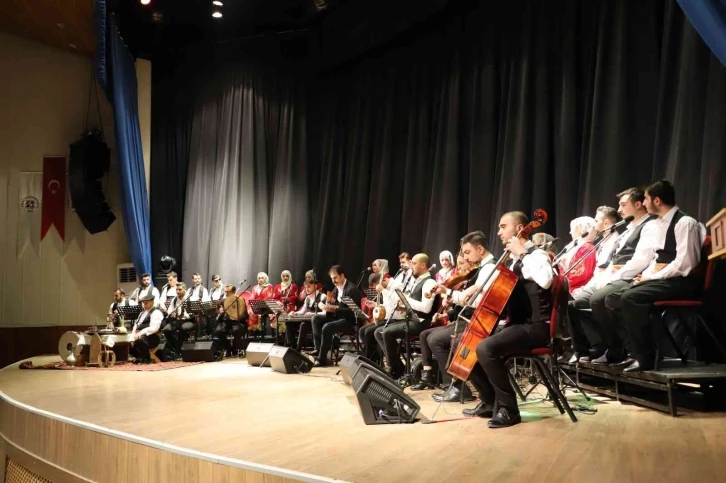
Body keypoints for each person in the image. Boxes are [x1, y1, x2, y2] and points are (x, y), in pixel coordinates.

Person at [462, 211, 554, 428]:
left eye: (503, 227)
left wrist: (524, 253)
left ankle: (509, 409)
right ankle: (489, 401)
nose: (498, 232)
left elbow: (546, 281)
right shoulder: (512, 262)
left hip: (536, 326)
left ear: (520, 228)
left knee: (485, 348)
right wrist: (478, 288)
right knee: (465, 345)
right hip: (517, 325)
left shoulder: (537, 255)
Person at [603, 179, 706, 372]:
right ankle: (634, 351)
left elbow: (685, 263)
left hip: (682, 282)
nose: (644, 203)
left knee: (631, 297)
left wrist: (651, 278)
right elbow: (658, 258)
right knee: (612, 298)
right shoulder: (660, 224)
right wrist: (645, 275)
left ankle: (646, 358)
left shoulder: (685, 223)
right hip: (665, 279)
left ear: (657, 201)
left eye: (646, 199)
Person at [568, 188, 657, 363]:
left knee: (598, 299)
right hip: (616, 276)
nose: (619, 210)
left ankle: (618, 350)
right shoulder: (627, 230)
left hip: (632, 277)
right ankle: (592, 348)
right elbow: (612, 263)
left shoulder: (649, 226)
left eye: (623, 205)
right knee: (574, 304)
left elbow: (640, 261)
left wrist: (610, 279)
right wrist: (602, 279)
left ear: (638, 204)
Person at [426, 231, 497, 403]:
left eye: (467, 252)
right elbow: (470, 299)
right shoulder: (483, 268)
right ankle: (460, 388)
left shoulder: (489, 268)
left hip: (483, 322)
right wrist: (449, 291)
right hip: (474, 319)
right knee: (434, 338)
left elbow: (476, 302)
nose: (465, 257)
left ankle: (468, 391)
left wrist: (453, 294)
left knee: (451, 342)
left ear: (480, 249)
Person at [374, 253, 438, 379]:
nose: (411, 266)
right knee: (378, 332)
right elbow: (414, 304)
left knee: (387, 332)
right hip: (413, 319)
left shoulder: (429, 282)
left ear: (423, 265)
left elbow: (426, 308)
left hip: (422, 322)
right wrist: (404, 306)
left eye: (414, 263)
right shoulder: (417, 281)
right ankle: (398, 366)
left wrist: (407, 300)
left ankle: (395, 370)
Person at [310, 265, 363, 367]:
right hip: (338, 317)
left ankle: (322, 359)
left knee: (327, 327)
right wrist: (324, 305)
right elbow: (330, 303)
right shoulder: (336, 288)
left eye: (335, 278)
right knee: (315, 318)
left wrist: (334, 309)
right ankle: (318, 349)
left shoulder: (352, 289)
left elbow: (353, 312)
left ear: (342, 276)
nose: (333, 281)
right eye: (332, 278)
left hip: (349, 321)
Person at [563, 216, 597, 293]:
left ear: (581, 230)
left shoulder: (587, 248)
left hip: (577, 287)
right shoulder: (579, 246)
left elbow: (580, 274)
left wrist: (562, 278)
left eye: (573, 229)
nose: (570, 232)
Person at [291, 279, 327, 350]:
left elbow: (325, 313)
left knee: (303, 324)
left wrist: (313, 314)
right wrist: (295, 313)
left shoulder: (322, 296)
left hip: (319, 323)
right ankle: (293, 346)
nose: (306, 289)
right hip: (309, 322)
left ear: (315, 286)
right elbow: (303, 311)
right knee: (290, 323)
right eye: (305, 287)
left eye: (309, 287)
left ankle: (299, 348)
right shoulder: (307, 298)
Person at [213, 284, 247, 357]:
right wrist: (219, 312)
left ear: (234, 292)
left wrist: (238, 317)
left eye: (228, 292)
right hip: (225, 321)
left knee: (238, 330)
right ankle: (228, 348)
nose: (226, 293)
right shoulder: (221, 301)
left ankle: (235, 348)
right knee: (218, 331)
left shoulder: (240, 300)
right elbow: (215, 312)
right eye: (225, 291)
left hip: (236, 322)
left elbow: (245, 315)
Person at [130, 294, 163, 364]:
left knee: (140, 339)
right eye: (143, 303)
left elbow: (154, 328)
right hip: (139, 335)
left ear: (152, 302)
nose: (144, 305)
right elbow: (136, 325)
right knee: (126, 342)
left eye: (146, 303)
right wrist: (132, 335)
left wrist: (141, 332)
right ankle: (141, 357)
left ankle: (145, 358)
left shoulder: (156, 312)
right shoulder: (141, 313)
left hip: (152, 338)